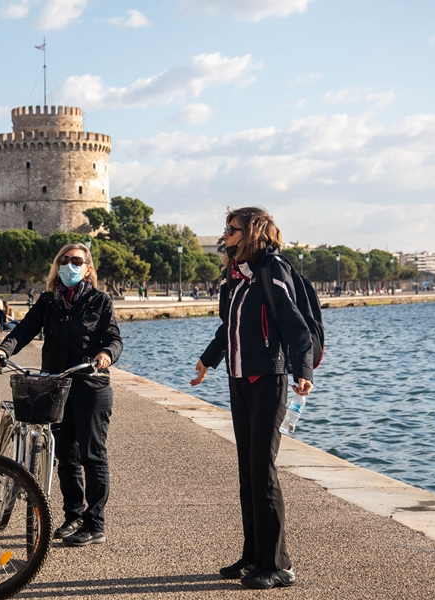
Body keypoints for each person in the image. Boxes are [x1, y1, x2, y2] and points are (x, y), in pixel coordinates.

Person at [190, 207, 313, 590]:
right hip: (239, 379)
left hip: (269, 379)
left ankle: (280, 565)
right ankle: (253, 556)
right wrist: (207, 361)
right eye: (225, 229)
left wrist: (303, 371)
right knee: (247, 471)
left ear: (251, 232)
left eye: (232, 229)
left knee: (263, 471)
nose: (225, 235)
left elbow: (295, 325)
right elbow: (229, 326)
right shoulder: (234, 277)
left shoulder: (272, 270)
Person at [0, 243, 122, 547]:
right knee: (65, 457)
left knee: (92, 456)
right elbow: (24, 330)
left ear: (88, 268)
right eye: (64, 260)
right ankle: (73, 514)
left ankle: (95, 522)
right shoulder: (49, 301)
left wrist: (106, 355)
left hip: (91, 387)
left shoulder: (100, 301)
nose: (70, 265)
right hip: (56, 388)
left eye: (77, 261)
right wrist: (3, 350)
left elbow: (114, 338)